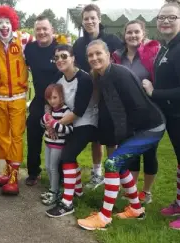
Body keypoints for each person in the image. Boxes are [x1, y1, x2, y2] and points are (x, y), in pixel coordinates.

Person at [77, 39, 165, 231]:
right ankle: (136, 209)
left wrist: (126, 137)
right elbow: (116, 110)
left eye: (98, 53)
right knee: (120, 163)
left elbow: (137, 109)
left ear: (108, 55)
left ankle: (104, 217)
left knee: (112, 163)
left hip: (150, 127)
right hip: (137, 129)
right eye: (90, 55)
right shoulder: (101, 76)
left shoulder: (119, 74)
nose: (94, 58)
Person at [0, 5, 33, 195]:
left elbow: (42, 44)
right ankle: (8, 170)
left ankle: (13, 176)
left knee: (16, 136)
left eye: (7, 22)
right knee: (2, 135)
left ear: (13, 23)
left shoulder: (24, 38)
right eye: (0, 22)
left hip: (18, 97)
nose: (4, 26)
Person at [73, 4, 123, 189]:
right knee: (95, 137)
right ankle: (97, 174)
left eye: (93, 18)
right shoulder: (78, 43)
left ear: (99, 19)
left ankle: (114, 175)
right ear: (82, 21)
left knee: (111, 137)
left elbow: (123, 58)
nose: (89, 21)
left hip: (110, 95)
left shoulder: (112, 40)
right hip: (89, 95)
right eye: (86, 18)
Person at [44, 44, 98, 218]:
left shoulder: (84, 79)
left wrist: (53, 124)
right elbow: (48, 99)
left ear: (73, 58)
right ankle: (78, 191)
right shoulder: (58, 77)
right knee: (66, 157)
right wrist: (49, 119)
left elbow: (79, 112)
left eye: (64, 56)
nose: (60, 60)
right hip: (66, 122)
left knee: (66, 156)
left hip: (85, 123)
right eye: (57, 57)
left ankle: (67, 203)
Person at [112, 20, 161, 204]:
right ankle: (131, 191)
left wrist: (153, 87)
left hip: (149, 112)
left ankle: (146, 193)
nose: (132, 35)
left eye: (136, 32)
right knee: (131, 154)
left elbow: (161, 77)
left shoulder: (152, 54)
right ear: (124, 35)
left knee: (149, 152)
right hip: (128, 114)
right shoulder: (117, 56)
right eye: (129, 32)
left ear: (143, 34)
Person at [142, 2, 180, 230]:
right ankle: (178, 202)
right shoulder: (167, 47)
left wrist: (154, 92)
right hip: (170, 114)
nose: (166, 21)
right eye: (162, 17)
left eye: (172, 18)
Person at [24, 15, 67, 186]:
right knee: (33, 132)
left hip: (59, 101)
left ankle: (61, 175)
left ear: (52, 31)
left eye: (45, 29)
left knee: (59, 136)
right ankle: (33, 172)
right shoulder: (30, 49)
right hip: (39, 99)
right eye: (38, 29)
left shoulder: (59, 49)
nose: (41, 32)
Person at [40, 83, 74, 206]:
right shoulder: (49, 111)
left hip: (58, 145)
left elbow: (70, 130)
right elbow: (43, 123)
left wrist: (55, 125)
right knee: (48, 167)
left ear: (61, 97)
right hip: (48, 143)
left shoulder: (66, 111)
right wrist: (45, 120)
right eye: (49, 98)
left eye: (55, 97)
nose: (52, 101)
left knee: (54, 168)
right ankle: (52, 189)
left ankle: (54, 192)